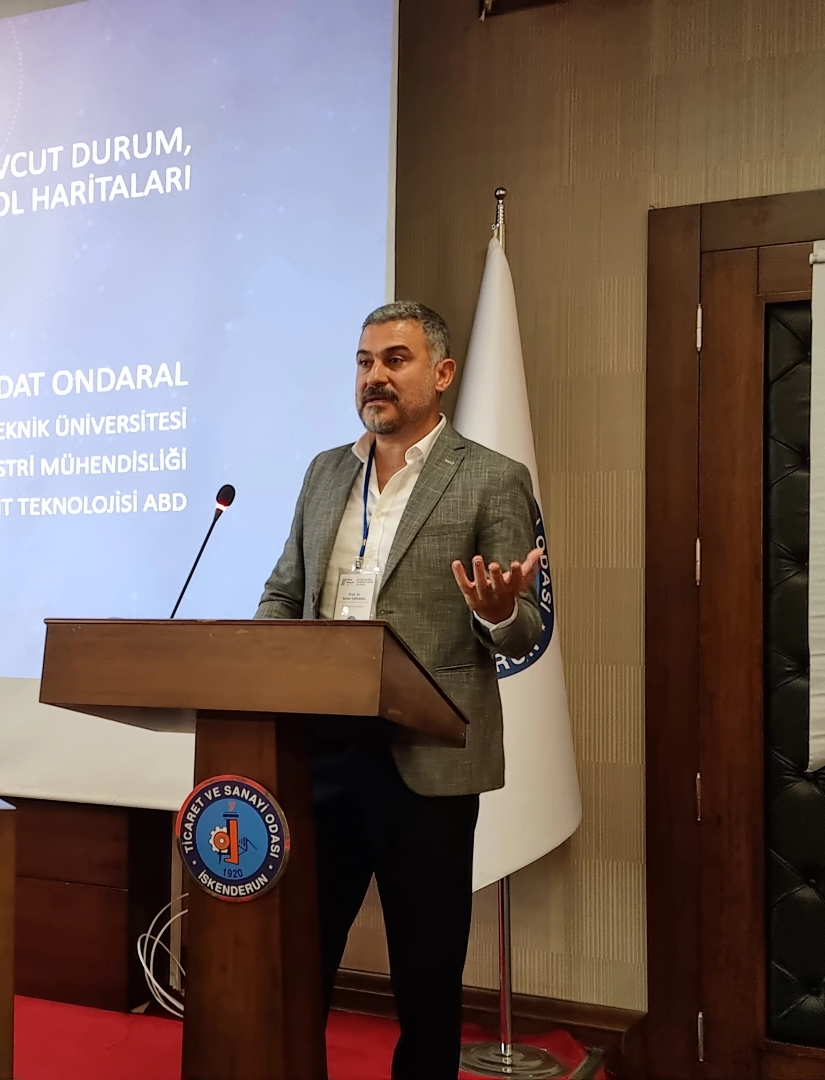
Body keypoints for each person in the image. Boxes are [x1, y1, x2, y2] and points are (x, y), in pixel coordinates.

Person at [255, 301, 545, 1080]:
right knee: (298, 959)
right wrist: (260, 654)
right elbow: (284, 591)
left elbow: (525, 632)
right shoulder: (324, 472)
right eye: (363, 362)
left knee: (426, 975)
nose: (373, 376)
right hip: (320, 753)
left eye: (394, 359)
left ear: (441, 373)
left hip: (427, 761)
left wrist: (498, 610)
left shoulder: (491, 478)